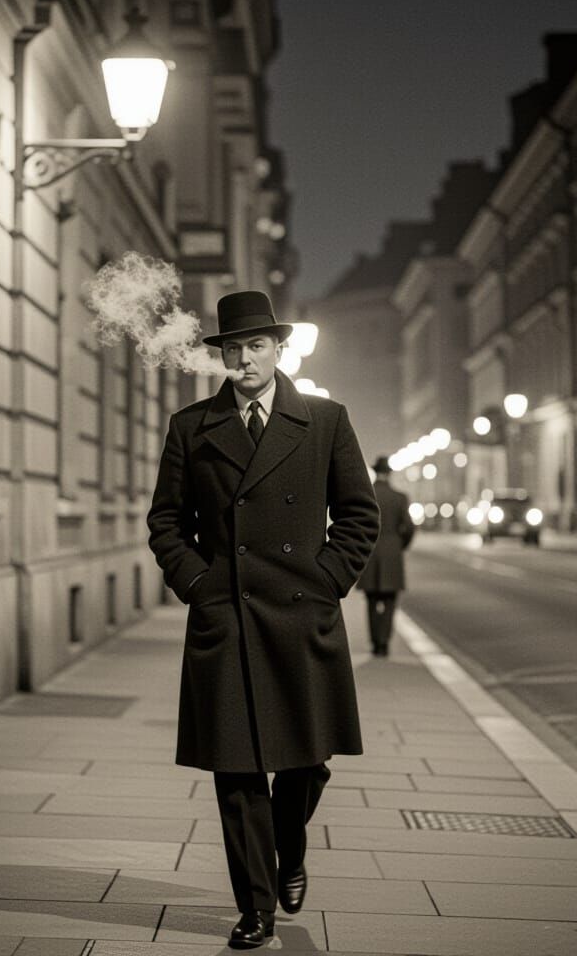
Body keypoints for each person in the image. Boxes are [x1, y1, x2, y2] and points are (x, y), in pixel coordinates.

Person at [147, 290, 379, 949]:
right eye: (232, 348)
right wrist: (199, 584)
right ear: (220, 355)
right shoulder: (191, 427)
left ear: (280, 350)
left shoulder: (326, 421)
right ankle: (256, 907)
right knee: (238, 770)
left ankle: (291, 844)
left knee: (307, 763)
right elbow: (166, 522)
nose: (244, 358)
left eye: (256, 346)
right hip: (228, 618)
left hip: (302, 618)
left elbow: (361, 515)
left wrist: (328, 579)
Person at [357, 455, 415, 656]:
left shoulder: (366, 493)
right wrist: (399, 545)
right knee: (390, 602)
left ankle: (375, 642)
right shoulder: (399, 497)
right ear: (389, 474)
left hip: (370, 553)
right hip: (392, 553)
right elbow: (408, 527)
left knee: (372, 601)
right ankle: (384, 642)